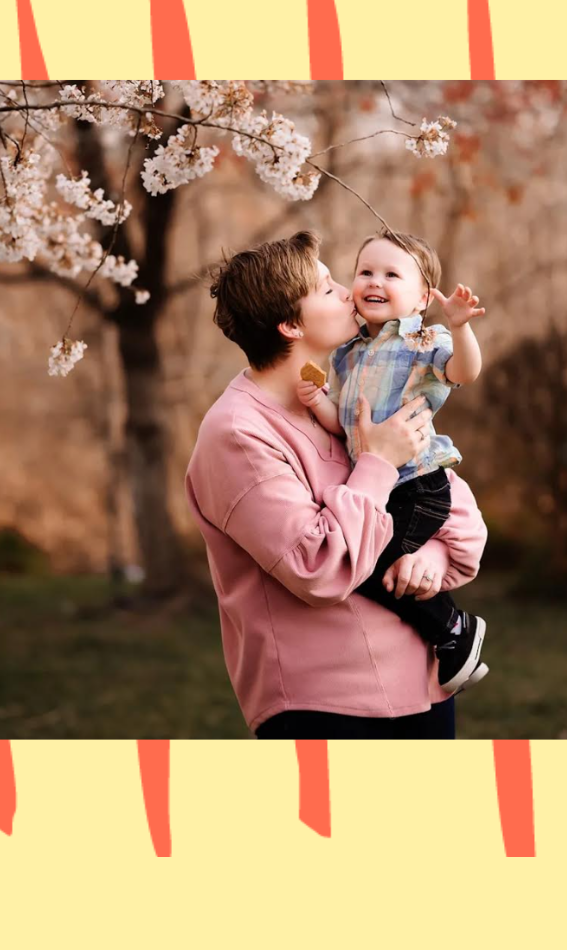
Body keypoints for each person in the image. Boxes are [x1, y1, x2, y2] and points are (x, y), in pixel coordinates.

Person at [183, 229, 488, 739]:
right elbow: (316, 567)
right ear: (289, 324)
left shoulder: (348, 400)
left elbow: (462, 523)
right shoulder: (237, 433)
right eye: (328, 289)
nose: (350, 291)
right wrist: (377, 464)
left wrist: (427, 562)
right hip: (327, 707)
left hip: (425, 689)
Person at [295, 228, 489, 695]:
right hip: (379, 481)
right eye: (365, 272)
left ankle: (453, 629)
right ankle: (448, 632)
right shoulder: (347, 353)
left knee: (362, 562)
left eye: (391, 274)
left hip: (418, 481)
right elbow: (346, 423)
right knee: (370, 562)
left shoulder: (424, 340)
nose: (374, 282)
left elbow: (464, 372)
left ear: (422, 297)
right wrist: (317, 402)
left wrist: (460, 328)